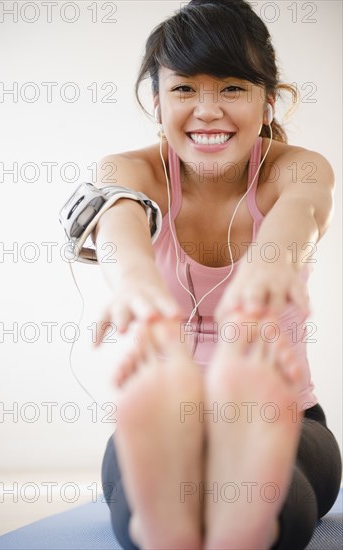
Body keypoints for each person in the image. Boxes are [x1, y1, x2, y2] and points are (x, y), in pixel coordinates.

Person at [92, 1, 342, 548]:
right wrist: (133, 282)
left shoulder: (297, 168)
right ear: (156, 103)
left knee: (281, 496)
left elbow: (302, 215)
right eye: (184, 90)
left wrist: (269, 270)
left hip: (291, 417)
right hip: (164, 422)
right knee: (147, 501)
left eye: (232, 88)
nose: (207, 110)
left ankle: (239, 489)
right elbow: (117, 222)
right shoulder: (129, 171)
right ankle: (176, 508)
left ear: (269, 100)